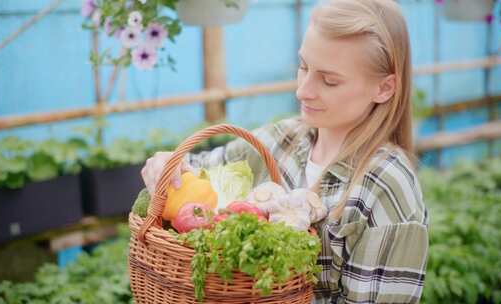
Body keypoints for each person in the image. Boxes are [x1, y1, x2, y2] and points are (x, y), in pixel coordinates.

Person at [141, 0, 428, 303]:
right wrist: (167, 167)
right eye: (303, 67)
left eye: (329, 81)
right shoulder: (281, 140)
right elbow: (196, 173)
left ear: (384, 88)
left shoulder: (386, 188)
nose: (303, 90)